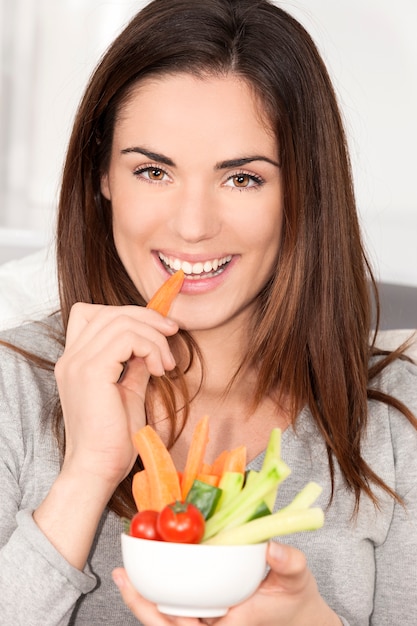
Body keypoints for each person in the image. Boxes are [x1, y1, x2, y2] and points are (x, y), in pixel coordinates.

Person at [1, 0, 416, 624]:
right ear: (102, 177)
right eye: (152, 171)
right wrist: (88, 473)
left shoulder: (395, 418)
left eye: (242, 178)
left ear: (302, 191)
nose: (193, 226)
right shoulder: (13, 388)